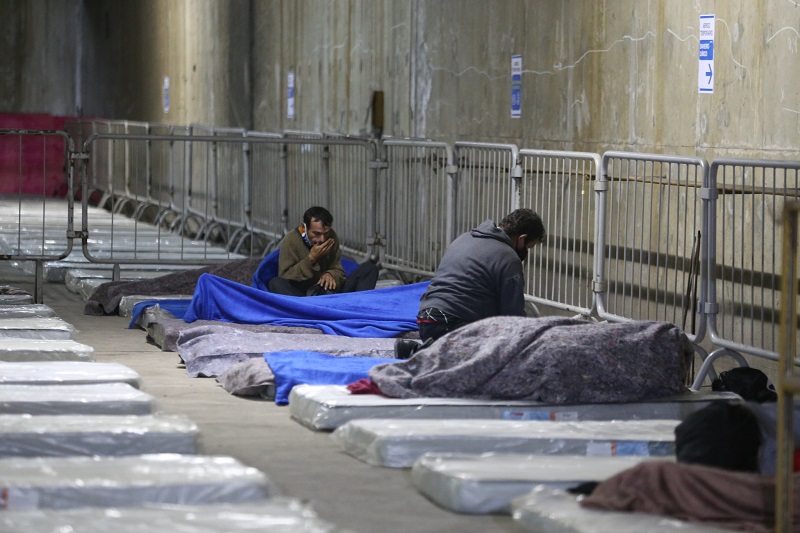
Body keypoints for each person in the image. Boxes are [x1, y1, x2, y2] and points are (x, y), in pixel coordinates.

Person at [395, 208, 545, 358]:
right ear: (522, 238)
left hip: (426, 319)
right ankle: (421, 353)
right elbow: (513, 317)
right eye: (529, 246)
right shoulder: (509, 258)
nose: (527, 251)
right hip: (453, 325)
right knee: (491, 358)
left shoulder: (464, 238)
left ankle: (427, 349)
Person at [268, 206, 379, 296]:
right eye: (316, 234)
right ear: (304, 228)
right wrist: (311, 259)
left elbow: (338, 269)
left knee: (369, 269)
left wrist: (330, 274)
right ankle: (307, 311)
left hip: (328, 292)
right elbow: (285, 276)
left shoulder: (331, 237)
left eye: (325, 233)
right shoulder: (291, 240)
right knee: (276, 283)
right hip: (303, 295)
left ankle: (353, 306)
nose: (322, 239)